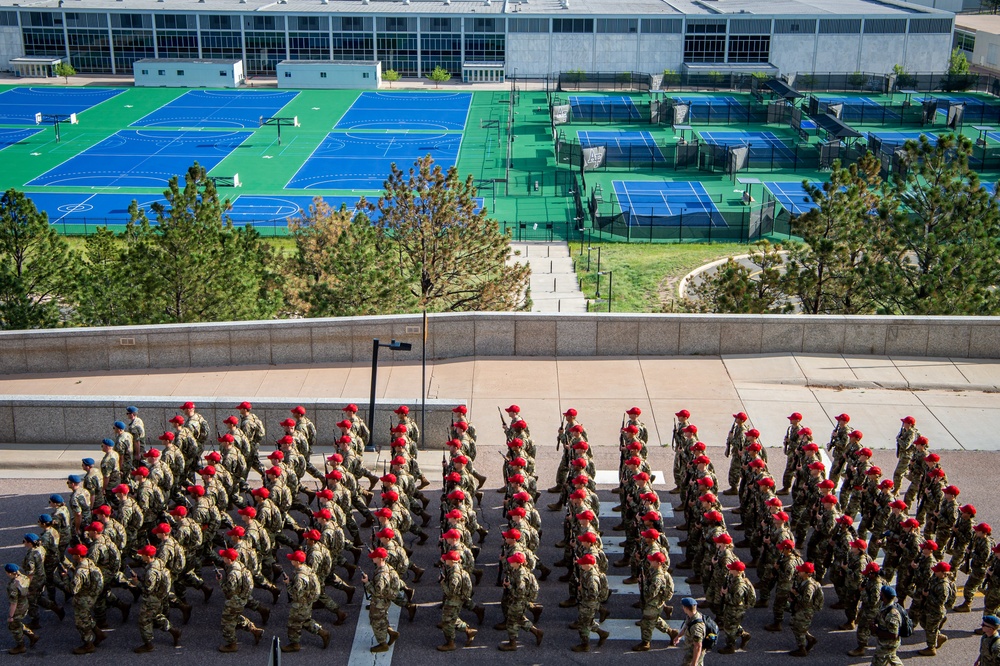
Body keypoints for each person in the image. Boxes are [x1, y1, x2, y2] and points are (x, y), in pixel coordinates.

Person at [131, 544, 181, 653]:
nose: (141, 556)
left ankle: (148, 644)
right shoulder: (159, 562)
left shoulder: (151, 572)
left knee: (144, 620)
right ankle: (174, 631)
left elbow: (147, 589)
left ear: (148, 556)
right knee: (157, 616)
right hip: (159, 596)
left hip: (152, 599)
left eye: (143, 555)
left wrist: (137, 583)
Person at [281, 550, 330, 652]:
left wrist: (288, 584)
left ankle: (294, 644)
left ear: (297, 562)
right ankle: (322, 632)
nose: (291, 561)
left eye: (293, 559)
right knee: (305, 621)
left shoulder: (300, 576)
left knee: (293, 623)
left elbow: (296, 593)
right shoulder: (307, 569)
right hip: (307, 601)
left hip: (300, 603)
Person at [217, 548, 263, 653]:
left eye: (224, 557)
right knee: (235, 617)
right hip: (241, 599)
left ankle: (231, 644)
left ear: (229, 559)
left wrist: (220, 582)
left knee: (226, 622)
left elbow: (229, 590)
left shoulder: (233, 573)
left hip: (234, 600)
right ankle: (254, 630)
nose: (222, 558)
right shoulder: (240, 565)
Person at [438, 550, 478, 651]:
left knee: (447, 622)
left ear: (451, 561)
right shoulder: (458, 569)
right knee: (453, 618)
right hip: (458, 600)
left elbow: (450, 592)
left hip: (453, 601)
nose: (445, 560)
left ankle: (450, 643)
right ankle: (468, 631)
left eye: (447, 559)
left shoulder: (454, 575)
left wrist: (442, 583)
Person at [363, 547, 400, 654]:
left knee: (376, 621)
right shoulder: (387, 568)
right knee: (382, 617)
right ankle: (390, 632)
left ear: (380, 558)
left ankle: (382, 644)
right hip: (386, 599)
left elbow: (377, 592)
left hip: (380, 601)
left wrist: (367, 583)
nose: (372, 558)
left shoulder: (381, 575)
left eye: (374, 557)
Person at [788, 561, 823, 657]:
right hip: (802, 609)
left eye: (801, 571)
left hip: (805, 610)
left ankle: (802, 648)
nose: (799, 572)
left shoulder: (809, 586)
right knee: (795, 624)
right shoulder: (804, 581)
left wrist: (796, 594)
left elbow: (806, 601)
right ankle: (810, 639)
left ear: (807, 573)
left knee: (798, 628)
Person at [5, 563, 38, 655]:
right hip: (25, 604)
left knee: (13, 626)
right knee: (18, 622)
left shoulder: (13, 585)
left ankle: (21, 646)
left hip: (18, 607)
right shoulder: (23, 577)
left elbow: (13, 603)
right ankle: (32, 636)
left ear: (9, 573)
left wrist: (10, 616)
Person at [871, 585, 904, 666]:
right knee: (891, 657)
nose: (880, 594)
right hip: (883, 641)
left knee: (877, 662)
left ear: (884, 596)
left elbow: (893, 635)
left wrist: (876, 630)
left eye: (881, 594)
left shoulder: (892, 614)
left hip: (888, 644)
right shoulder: (884, 605)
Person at [673, 597, 705, 666]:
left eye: (683, 606)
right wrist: (678, 636)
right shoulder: (691, 616)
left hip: (693, 653)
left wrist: (694, 663)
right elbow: (687, 627)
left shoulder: (696, 627)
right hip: (690, 650)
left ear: (686, 608)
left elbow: (698, 646)